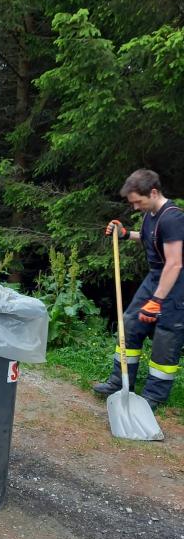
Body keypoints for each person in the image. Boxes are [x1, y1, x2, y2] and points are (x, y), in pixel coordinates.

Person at [93, 168, 184, 410]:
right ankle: (120, 381)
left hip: (175, 283)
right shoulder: (152, 214)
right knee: (130, 323)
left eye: (138, 202)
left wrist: (157, 300)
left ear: (153, 192)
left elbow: (175, 263)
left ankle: (154, 395)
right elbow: (149, 236)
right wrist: (125, 234)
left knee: (166, 337)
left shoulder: (172, 218)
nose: (135, 207)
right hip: (155, 277)